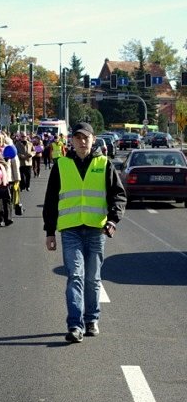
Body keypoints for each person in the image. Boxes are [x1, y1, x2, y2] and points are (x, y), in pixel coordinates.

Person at [43, 122, 126, 343]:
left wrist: (113, 220)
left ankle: (91, 320)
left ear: (93, 139)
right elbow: (50, 201)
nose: (81, 142)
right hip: (70, 231)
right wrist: (49, 231)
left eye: (85, 138)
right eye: (78, 138)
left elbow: (118, 195)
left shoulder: (104, 164)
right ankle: (75, 325)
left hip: (96, 230)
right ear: (71, 140)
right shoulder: (61, 165)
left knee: (92, 279)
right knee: (75, 276)